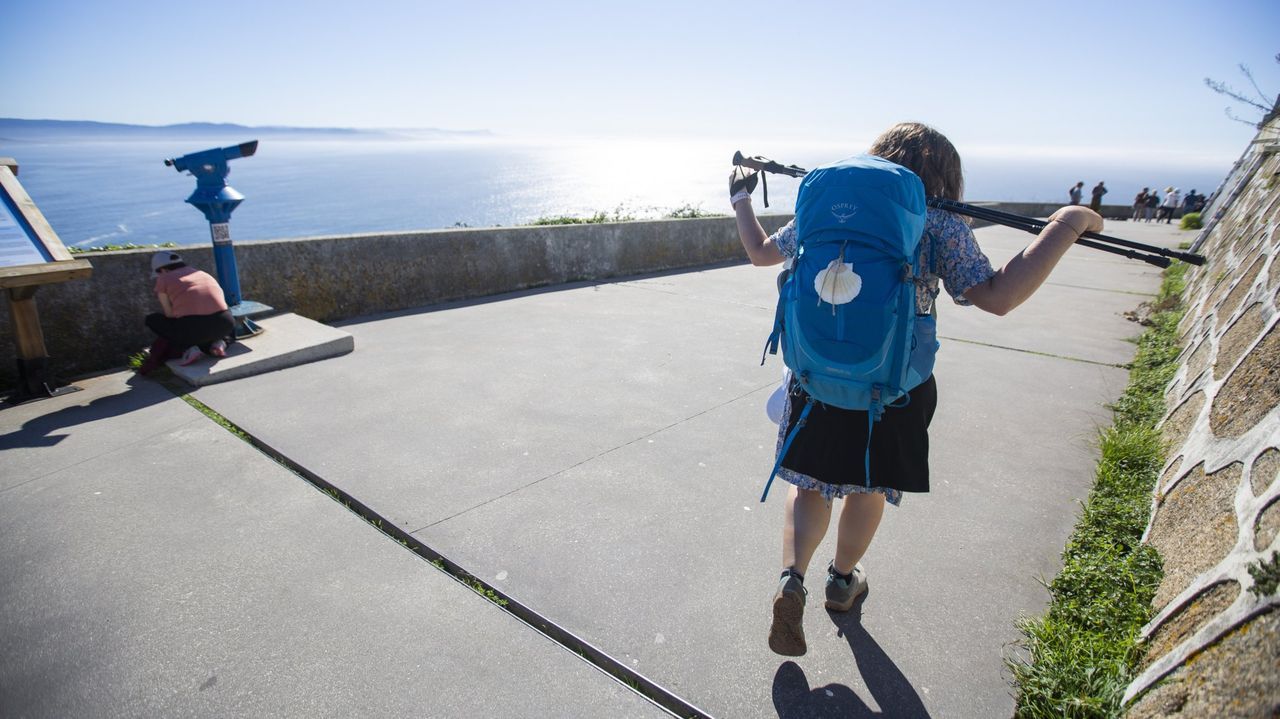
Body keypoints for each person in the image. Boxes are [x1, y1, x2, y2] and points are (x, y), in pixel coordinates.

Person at [730, 122, 1104, 657]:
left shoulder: (830, 207)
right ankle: (842, 581)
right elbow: (995, 295)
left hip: (815, 378)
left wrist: (741, 197)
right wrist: (1065, 225)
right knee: (867, 489)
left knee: (808, 485)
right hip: (894, 389)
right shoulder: (940, 220)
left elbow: (764, 254)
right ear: (945, 176)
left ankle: (793, 578)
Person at [138, 251, 234, 374]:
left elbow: (169, 314)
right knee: (207, 326)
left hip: (192, 330)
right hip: (225, 323)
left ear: (162, 269)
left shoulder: (163, 279)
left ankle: (189, 348)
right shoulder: (202, 273)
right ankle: (219, 343)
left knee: (153, 319)